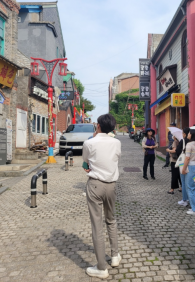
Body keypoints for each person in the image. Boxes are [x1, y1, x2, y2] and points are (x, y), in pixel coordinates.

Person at [82, 114, 122, 279]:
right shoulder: (117, 142)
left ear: (97, 126)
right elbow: (115, 158)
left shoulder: (89, 143)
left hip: (95, 184)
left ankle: (101, 267)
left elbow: (85, 163)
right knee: (111, 220)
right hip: (111, 185)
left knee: (97, 226)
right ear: (113, 128)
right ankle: (114, 255)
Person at [181, 129, 195, 215]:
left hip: (191, 167)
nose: (188, 134)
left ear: (191, 135)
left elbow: (187, 158)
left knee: (190, 188)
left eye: (189, 133)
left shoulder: (189, 144)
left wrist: (184, 168)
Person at [177, 127, 190, 207]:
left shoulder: (183, 141)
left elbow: (178, 151)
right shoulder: (194, 141)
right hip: (192, 163)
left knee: (184, 182)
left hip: (183, 162)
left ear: (185, 134)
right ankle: (189, 198)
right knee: (189, 182)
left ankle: (185, 199)